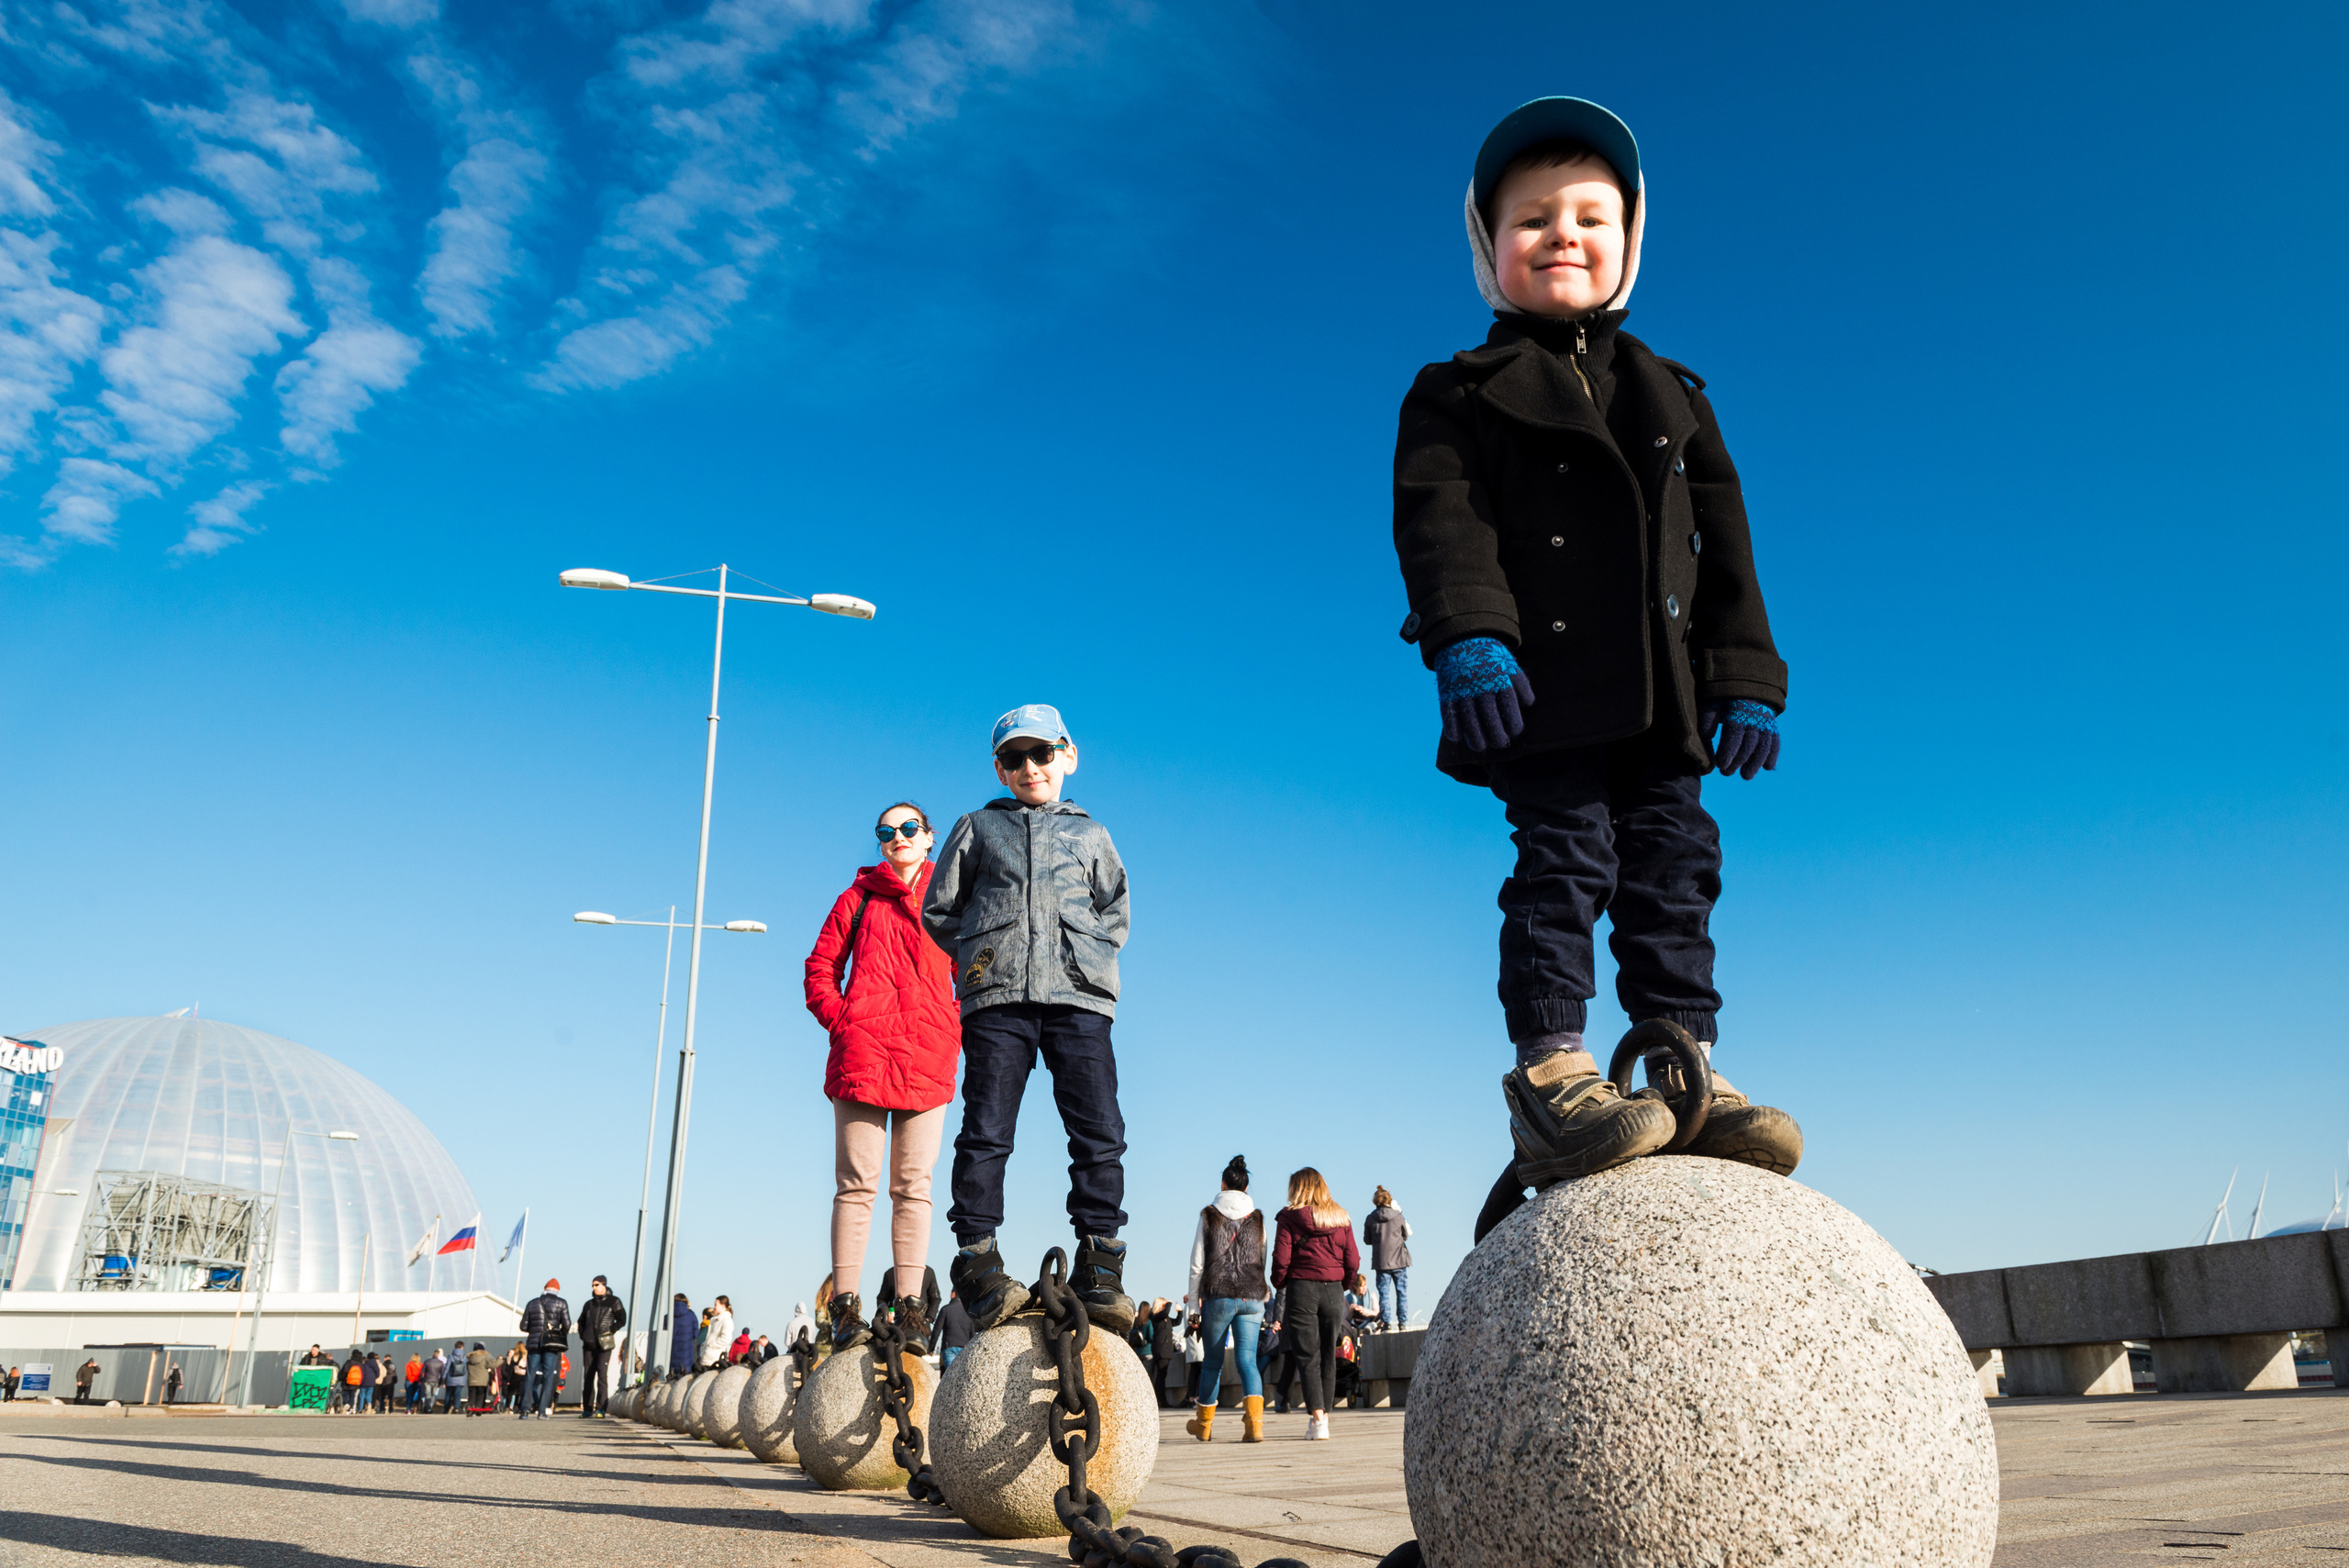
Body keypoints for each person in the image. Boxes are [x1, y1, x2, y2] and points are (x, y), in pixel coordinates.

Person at [1387, 95, 1803, 1197]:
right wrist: (1468, 637)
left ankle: (1686, 1066)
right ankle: (1554, 1071)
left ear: (1628, 241)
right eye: (1530, 220)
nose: (1562, 235)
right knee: (1564, 861)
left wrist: (1746, 674)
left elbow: (1725, 546)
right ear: (1488, 248)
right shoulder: (1454, 394)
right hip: (1541, 689)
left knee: (1675, 872)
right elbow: (1442, 523)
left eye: (1589, 216)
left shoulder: (1676, 394)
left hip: (1666, 696)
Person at [925, 704, 1135, 1332]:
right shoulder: (976, 827)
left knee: (1100, 1128)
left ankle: (1101, 1260)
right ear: (999, 767)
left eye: (1042, 753)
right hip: (998, 1002)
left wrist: (1087, 955)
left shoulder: (1092, 834)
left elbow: (1115, 911)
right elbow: (942, 910)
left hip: (1080, 999)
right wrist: (985, 954)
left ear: (1067, 756)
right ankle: (979, 1260)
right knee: (987, 1128)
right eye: (1014, 757)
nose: (1029, 766)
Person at [805, 800, 963, 1351]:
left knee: (913, 1188)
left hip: (927, 1053)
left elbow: (974, 970)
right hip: (863, 1054)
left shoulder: (951, 897)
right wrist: (844, 1022)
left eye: (908, 828)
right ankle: (845, 1309)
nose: (897, 837)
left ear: (928, 837)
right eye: (886, 831)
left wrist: (953, 1025)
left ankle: (911, 1309)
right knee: (856, 1185)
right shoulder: (856, 899)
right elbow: (819, 967)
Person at [1185, 1154, 1271, 1444]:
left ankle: (1204, 1426)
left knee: (1212, 1363)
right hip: (1252, 1296)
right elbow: (1262, 1258)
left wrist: (1192, 1304)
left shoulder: (1209, 1215)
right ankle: (1254, 1426)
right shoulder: (1258, 1217)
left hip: (1218, 1296)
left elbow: (1197, 1263)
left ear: (1223, 1184)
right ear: (1245, 1189)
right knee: (1248, 1360)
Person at [1271, 1167, 1359, 1441]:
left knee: (1307, 1357)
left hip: (1302, 1289)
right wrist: (1342, 1285)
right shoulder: (1341, 1217)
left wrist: (1281, 1281)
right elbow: (1353, 1259)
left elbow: (1281, 1257)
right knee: (1327, 1355)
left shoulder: (1288, 1217)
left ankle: (1318, 1419)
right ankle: (1324, 1420)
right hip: (1334, 1291)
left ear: (1297, 1188)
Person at [521, 1277, 571, 1418]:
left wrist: (535, 1329)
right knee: (548, 1377)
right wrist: (558, 1333)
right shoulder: (561, 1303)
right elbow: (567, 1324)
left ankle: (524, 1410)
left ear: (545, 1289)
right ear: (557, 1290)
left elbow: (523, 1326)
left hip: (534, 1344)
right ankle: (542, 1411)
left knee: (530, 1376)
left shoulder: (532, 1303)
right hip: (550, 1345)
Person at [1363, 1188, 1412, 1329]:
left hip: (1381, 1262)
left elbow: (1367, 1240)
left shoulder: (1370, 1218)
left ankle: (1386, 1324)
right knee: (1401, 1293)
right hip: (1399, 1261)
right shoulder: (1398, 1216)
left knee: (1384, 1294)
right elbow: (1405, 1236)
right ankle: (1402, 1323)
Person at [578, 1274, 625, 1418]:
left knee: (602, 1376)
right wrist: (584, 1336)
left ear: (604, 1285)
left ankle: (601, 1409)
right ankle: (587, 1409)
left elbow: (622, 1319)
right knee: (588, 1377)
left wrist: (610, 1330)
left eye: (596, 1285)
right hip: (589, 1345)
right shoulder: (589, 1304)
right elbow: (581, 1322)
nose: (594, 1288)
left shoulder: (614, 1301)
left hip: (604, 1345)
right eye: (592, 1285)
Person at [937, 1290, 974, 1372]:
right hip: (964, 1347)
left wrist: (931, 1348)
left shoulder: (945, 1309)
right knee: (961, 1375)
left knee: (950, 1374)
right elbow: (972, 1332)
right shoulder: (968, 1312)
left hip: (949, 1346)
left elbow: (937, 1330)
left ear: (953, 1294)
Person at [668, 1293, 696, 1375]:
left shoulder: (667, 1317)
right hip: (687, 1359)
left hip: (671, 1358)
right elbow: (696, 1334)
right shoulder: (691, 1316)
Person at [465, 1342, 491, 1415]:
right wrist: (500, 1360)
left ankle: (470, 1409)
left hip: (471, 1380)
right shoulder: (485, 1358)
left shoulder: (470, 1358)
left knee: (472, 1395)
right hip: (482, 1380)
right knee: (480, 1395)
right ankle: (478, 1409)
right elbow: (492, 1364)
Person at [442, 1343, 467, 1412]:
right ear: (462, 1347)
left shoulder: (450, 1356)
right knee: (458, 1394)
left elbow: (447, 1368)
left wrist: (443, 1377)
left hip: (451, 1379)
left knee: (448, 1395)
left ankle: (446, 1409)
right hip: (461, 1379)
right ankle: (456, 1407)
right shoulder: (464, 1356)